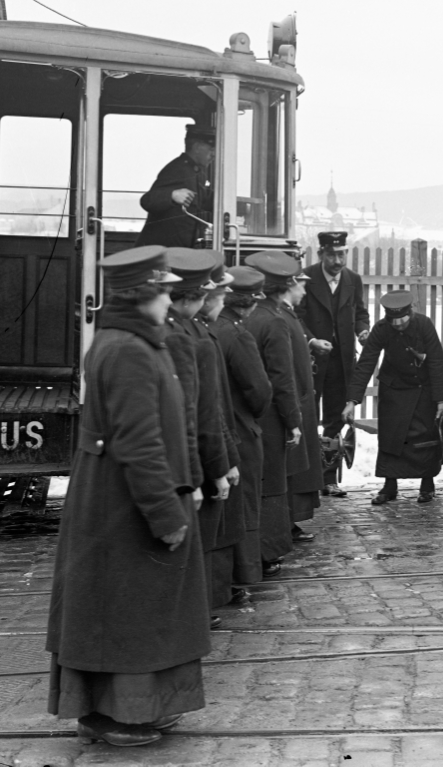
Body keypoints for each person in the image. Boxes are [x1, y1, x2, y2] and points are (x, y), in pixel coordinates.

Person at [46, 245, 209, 748]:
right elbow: (140, 444)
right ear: (143, 296)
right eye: (163, 290)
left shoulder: (134, 342)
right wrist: (165, 513)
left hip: (117, 500)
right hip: (123, 505)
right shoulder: (129, 349)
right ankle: (114, 714)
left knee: (127, 609)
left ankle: (128, 709)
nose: (169, 299)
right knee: (126, 611)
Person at [164, 248, 235, 623]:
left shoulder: (184, 331)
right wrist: (216, 468)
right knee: (195, 542)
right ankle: (191, 612)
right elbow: (201, 412)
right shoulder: (189, 337)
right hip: (186, 462)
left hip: (181, 460)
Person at [344, 290, 443, 504]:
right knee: (391, 438)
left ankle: (427, 485)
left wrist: (440, 399)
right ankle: (389, 486)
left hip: (423, 389)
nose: (399, 324)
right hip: (393, 390)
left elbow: (437, 362)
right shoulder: (382, 329)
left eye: (402, 320)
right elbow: (366, 363)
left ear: (410, 313)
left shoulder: (424, 325)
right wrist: (352, 400)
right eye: (394, 321)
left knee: (425, 437)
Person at [212, 265, 273, 600]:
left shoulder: (209, 328)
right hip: (238, 431)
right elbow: (260, 390)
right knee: (242, 506)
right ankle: (241, 575)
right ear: (249, 303)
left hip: (217, 429)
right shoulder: (237, 334)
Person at [244, 250, 304, 577]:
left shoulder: (245, 316)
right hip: (268, 417)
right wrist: (293, 421)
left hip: (244, 414)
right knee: (271, 483)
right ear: (285, 287)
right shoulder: (276, 321)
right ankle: (268, 552)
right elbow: (283, 378)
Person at [297, 230, 371, 498]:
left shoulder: (353, 279)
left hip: (341, 363)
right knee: (307, 418)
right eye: (332, 255)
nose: (338, 261)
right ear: (321, 255)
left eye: (342, 254)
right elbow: (296, 316)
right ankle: (307, 481)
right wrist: (312, 340)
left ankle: (329, 479)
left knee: (335, 420)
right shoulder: (306, 278)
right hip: (313, 363)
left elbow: (360, 312)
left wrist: (363, 330)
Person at [195, 257, 249, 609]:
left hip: (206, 449)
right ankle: (206, 600)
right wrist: (222, 463)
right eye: (220, 292)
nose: (225, 298)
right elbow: (207, 409)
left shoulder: (202, 334)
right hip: (201, 456)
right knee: (208, 533)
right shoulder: (201, 339)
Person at [281, 254, 324, 538]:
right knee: (290, 469)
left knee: (297, 468)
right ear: (290, 284)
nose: (305, 291)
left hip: (300, 401)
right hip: (293, 403)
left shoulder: (287, 315)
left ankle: (289, 522)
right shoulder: (280, 318)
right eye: (302, 286)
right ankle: (285, 523)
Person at [136, 124, 215, 248]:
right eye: (211, 149)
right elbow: (147, 200)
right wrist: (172, 195)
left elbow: (204, 199)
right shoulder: (177, 169)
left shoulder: (195, 172)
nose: (214, 155)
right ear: (197, 147)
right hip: (160, 252)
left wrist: (240, 206)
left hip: (178, 250)